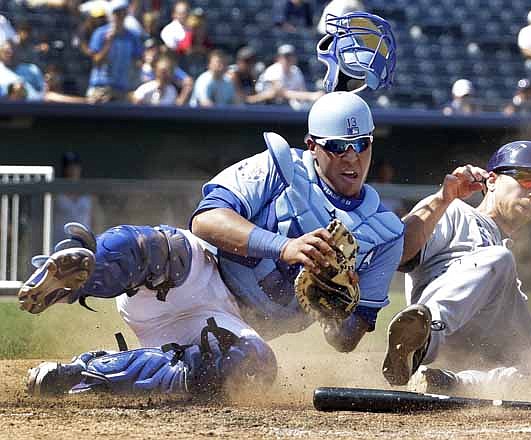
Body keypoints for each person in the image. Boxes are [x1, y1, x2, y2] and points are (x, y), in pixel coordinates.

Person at [20, 90, 404, 397]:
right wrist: (282, 247)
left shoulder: (384, 236)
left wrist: (334, 309)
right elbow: (206, 220)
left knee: (251, 366)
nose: (352, 157)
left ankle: (81, 376)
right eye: (338, 146)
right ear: (313, 145)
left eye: (362, 144)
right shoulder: (277, 166)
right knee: (154, 246)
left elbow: (344, 341)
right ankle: (73, 275)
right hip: (202, 272)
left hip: (232, 325)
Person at [381, 141, 531, 394]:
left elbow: (525, 337)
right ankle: (420, 343)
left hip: (489, 356)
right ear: (491, 181)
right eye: (526, 179)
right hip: (442, 337)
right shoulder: (455, 212)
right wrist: (442, 199)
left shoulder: (505, 249)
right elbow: (399, 254)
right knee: (499, 259)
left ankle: (455, 382)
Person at [86, 0, 143, 103]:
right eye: (117, 13)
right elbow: (96, 61)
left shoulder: (133, 36)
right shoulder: (100, 34)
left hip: (122, 90)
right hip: (100, 88)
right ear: (111, 14)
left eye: (123, 12)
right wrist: (109, 42)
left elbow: (137, 63)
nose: (120, 16)